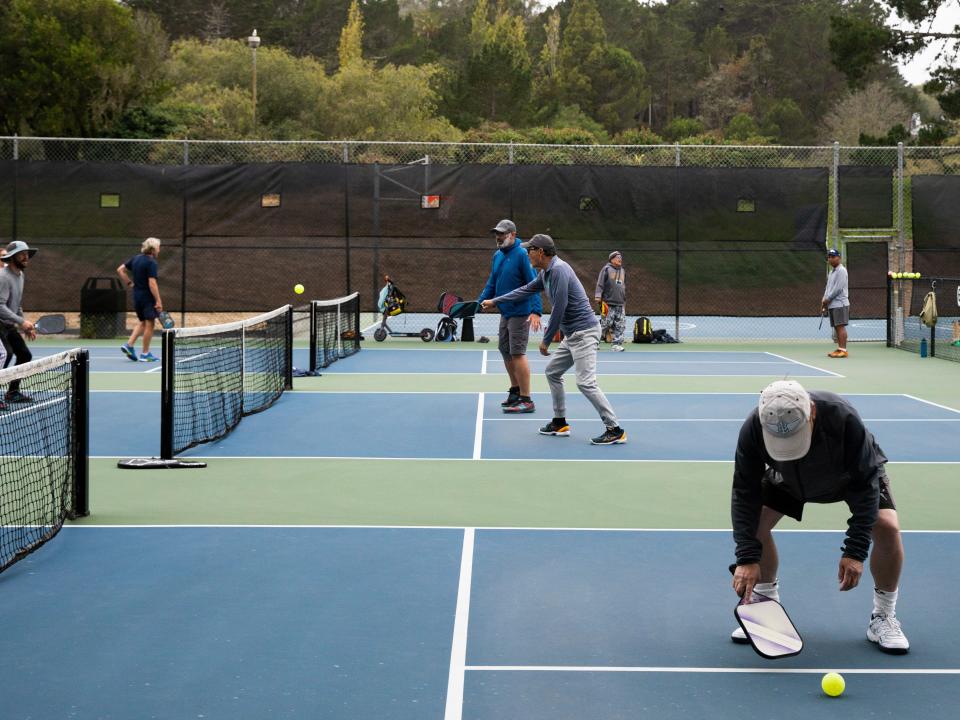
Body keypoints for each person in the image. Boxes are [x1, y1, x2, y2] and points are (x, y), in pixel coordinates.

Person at [730, 379, 909, 654]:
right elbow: (745, 491)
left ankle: (883, 616)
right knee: (755, 523)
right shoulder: (754, 426)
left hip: (850, 477)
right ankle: (765, 608)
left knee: (886, 525)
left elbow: (865, 485)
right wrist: (747, 557)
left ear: (811, 411)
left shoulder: (842, 417)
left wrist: (855, 551)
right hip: (788, 478)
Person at [481, 234, 626, 445]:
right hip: (574, 334)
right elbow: (525, 290)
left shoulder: (559, 270)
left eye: (530, 249)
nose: (527, 252)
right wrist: (495, 301)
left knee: (585, 383)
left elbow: (560, 307)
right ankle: (560, 422)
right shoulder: (546, 273)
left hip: (584, 333)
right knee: (552, 372)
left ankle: (615, 429)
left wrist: (546, 340)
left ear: (541, 252)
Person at [477, 220, 542, 413]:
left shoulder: (522, 254)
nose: (498, 237)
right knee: (505, 350)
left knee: (517, 353)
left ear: (513, 234)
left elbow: (534, 283)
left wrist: (536, 311)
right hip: (505, 311)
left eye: (502, 234)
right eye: (497, 233)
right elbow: (492, 282)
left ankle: (526, 399)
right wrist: (479, 302)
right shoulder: (497, 255)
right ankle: (515, 391)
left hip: (521, 312)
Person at [0, 241, 39, 407]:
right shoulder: (3, 277)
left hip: (8, 324)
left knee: (24, 355)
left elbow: (16, 304)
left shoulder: (20, 276)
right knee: (5, 354)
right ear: (12, 257)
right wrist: (22, 322)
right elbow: (0, 306)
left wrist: (25, 325)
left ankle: (12, 392)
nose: (26, 256)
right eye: (21, 254)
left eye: (27, 253)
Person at [117, 237, 164, 362]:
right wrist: (158, 300)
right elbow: (152, 283)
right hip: (147, 297)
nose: (159, 250)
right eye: (158, 247)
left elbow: (120, 270)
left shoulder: (136, 259)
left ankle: (129, 345)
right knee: (150, 324)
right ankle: (145, 354)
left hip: (137, 296)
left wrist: (129, 283)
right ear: (153, 249)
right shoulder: (151, 262)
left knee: (142, 321)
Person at [594, 250, 626, 352]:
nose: (620, 259)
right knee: (605, 323)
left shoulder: (623, 271)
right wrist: (598, 296)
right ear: (612, 259)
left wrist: (624, 300)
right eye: (617, 257)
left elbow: (624, 286)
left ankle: (616, 344)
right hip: (608, 303)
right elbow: (600, 283)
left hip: (620, 303)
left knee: (620, 324)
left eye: (620, 257)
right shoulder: (606, 269)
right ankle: (594, 343)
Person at [822, 248, 849, 358]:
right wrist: (824, 299)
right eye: (829, 257)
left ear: (839, 258)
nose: (830, 259)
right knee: (837, 327)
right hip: (832, 304)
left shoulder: (841, 270)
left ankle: (843, 350)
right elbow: (828, 287)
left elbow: (838, 288)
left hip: (840, 304)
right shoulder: (832, 272)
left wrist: (827, 299)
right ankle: (839, 349)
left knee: (840, 326)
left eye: (833, 257)